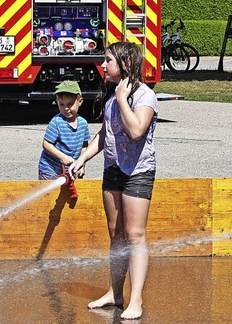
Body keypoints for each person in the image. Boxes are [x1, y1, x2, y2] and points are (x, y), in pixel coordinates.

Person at [69, 41, 158, 320]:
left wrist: (122, 98)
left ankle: (136, 300)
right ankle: (114, 292)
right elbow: (105, 135)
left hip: (138, 171)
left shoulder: (144, 96)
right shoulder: (109, 100)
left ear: (126, 65)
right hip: (113, 170)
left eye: (108, 60)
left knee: (134, 235)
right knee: (116, 234)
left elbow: (135, 130)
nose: (103, 66)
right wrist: (82, 158)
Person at [37, 80, 91, 182]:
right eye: (61, 104)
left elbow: (84, 146)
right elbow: (46, 144)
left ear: (80, 102)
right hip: (49, 170)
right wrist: (63, 157)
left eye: (70, 104)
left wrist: (82, 164)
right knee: (49, 196)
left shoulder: (83, 123)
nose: (66, 108)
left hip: (69, 170)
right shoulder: (57, 122)